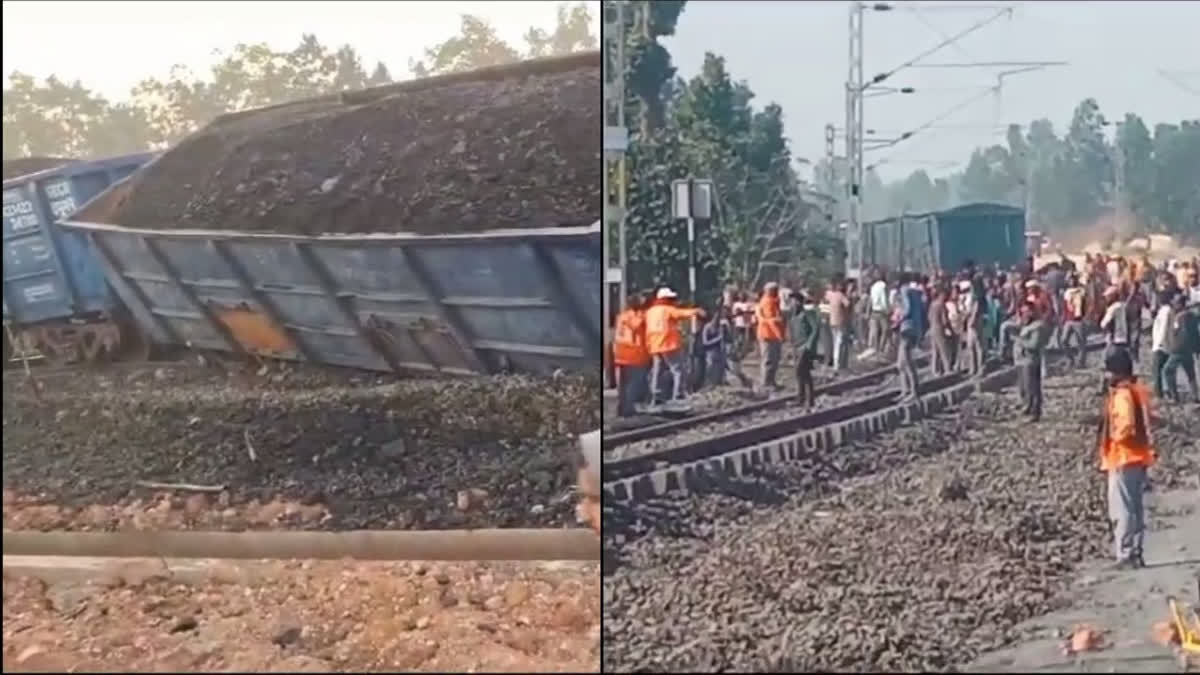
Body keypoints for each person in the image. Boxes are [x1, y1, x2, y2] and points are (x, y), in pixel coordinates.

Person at [1097, 348, 1154, 569]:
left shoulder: (1122, 395)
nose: (1106, 376)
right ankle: (1135, 552)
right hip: (1136, 456)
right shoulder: (1134, 390)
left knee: (1122, 509)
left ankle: (1126, 553)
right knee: (1135, 507)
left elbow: (1126, 424)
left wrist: (1115, 436)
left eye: (1108, 371)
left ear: (1116, 372)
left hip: (1123, 457)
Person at [645, 287, 704, 405]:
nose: (673, 301)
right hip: (668, 344)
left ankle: (656, 397)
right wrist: (696, 311)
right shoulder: (667, 309)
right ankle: (678, 396)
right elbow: (681, 313)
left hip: (654, 345)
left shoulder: (650, 312)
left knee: (657, 371)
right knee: (678, 370)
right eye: (671, 298)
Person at [612, 293, 650, 417]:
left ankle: (622, 408)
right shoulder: (636, 317)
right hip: (634, 355)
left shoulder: (621, 316)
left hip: (621, 354)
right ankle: (628, 409)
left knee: (623, 385)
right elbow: (635, 325)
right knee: (634, 383)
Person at [1162, 292, 1200, 404]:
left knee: (1167, 371)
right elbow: (1195, 334)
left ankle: (1174, 397)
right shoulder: (1191, 316)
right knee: (1190, 372)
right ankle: (1195, 396)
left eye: (1175, 302)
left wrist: (1174, 348)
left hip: (1179, 349)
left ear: (1180, 304)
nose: (1173, 304)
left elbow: (1182, 335)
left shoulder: (1181, 317)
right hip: (1188, 350)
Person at [789, 290, 822, 409]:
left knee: (803, 371)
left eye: (793, 301)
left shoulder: (807, 314)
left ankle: (809, 399)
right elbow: (792, 332)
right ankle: (801, 397)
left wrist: (809, 345)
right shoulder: (793, 316)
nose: (792, 304)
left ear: (799, 302)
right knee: (799, 373)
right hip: (796, 347)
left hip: (805, 347)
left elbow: (815, 329)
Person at [896, 272, 926, 400]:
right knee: (901, 362)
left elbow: (907, 309)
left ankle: (913, 391)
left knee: (906, 361)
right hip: (915, 327)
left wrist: (898, 318)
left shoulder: (905, 291)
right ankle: (905, 390)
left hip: (907, 327)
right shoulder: (916, 293)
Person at [756, 282, 787, 391]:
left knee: (774, 359)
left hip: (772, 334)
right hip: (768, 334)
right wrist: (780, 335)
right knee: (768, 359)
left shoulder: (774, 301)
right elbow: (771, 321)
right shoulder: (767, 302)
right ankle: (766, 383)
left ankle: (771, 381)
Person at [1062, 274, 1089, 368]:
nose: (1071, 282)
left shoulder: (1082, 291)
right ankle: (1070, 358)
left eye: (1073, 280)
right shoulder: (1067, 292)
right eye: (1070, 280)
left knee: (1081, 341)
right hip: (1069, 319)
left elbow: (1086, 303)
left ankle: (1081, 361)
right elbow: (1065, 306)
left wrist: (1086, 315)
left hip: (1079, 319)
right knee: (1064, 340)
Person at [1150, 292, 1173, 399]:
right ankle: (1165, 391)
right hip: (1164, 344)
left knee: (1157, 371)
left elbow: (1163, 328)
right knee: (1162, 371)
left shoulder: (1165, 311)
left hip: (1161, 345)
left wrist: (1159, 342)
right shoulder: (1165, 310)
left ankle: (1159, 394)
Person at [825, 280, 851, 371]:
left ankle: (836, 363)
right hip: (840, 321)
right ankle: (838, 364)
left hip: (832, 321)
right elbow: (848, 304)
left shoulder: (831, 295)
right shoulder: (840, 295)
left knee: (835, 342)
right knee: (839, 343)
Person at [928, 286, 954, 376]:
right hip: (940, 328)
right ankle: (948, 369)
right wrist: (950, 329)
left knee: (935, 350)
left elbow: (929, 317)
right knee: (944, 349)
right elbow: (945, 320)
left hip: (932, 328)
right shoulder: (941, 305)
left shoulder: (932, 304)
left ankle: (935, 370)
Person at [700, 308, 728, 388]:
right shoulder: (707, 327)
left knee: (720, 370)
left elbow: (726, 339)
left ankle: (719, 384)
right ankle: (709, 385)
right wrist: (718, 339)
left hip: (719, 352)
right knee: (710, 369)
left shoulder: (721, 326)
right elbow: (705, 342)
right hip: (710, 352)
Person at [868, 273, 890, 353]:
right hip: (882, 311)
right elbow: (884, 298)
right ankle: (881, 348)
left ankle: (876, 348)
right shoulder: (883, 285)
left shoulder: (873, 286)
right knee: (885, 329)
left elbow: (871, 299)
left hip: (874, 311)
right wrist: (888, 309)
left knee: (876, 331)